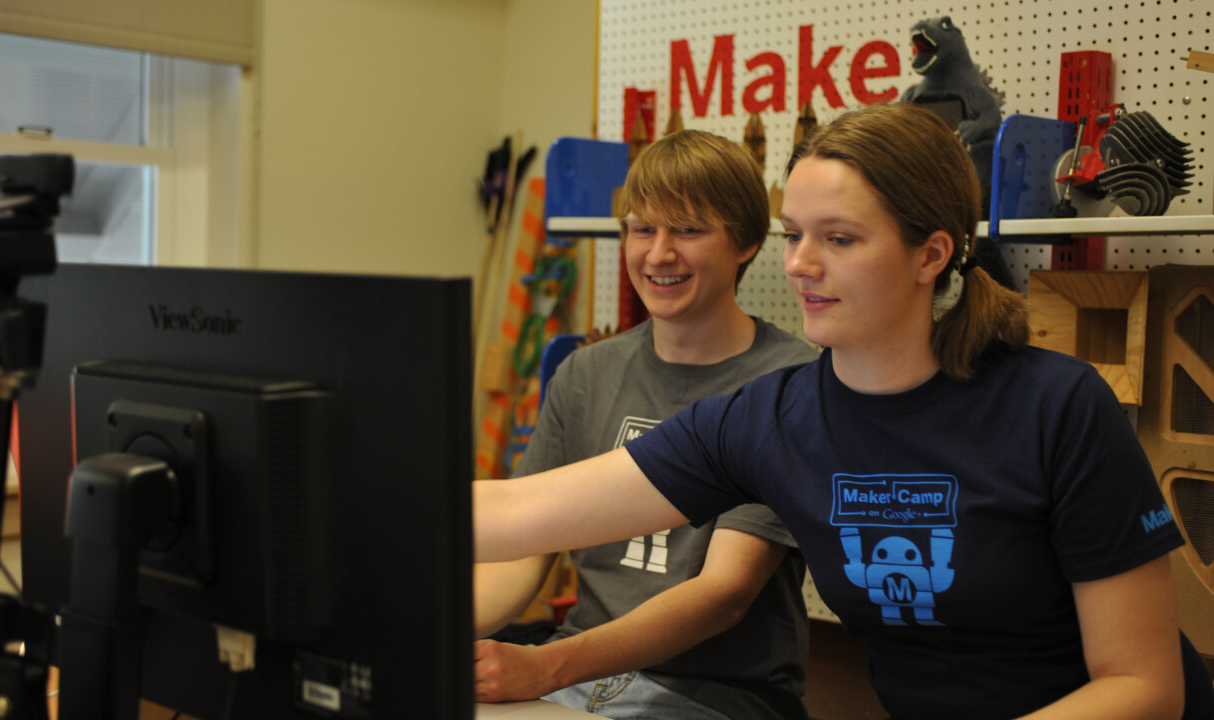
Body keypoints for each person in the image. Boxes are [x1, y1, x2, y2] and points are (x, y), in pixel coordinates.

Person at [473, 103, 1214, 720]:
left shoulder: (1057, 404)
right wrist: (370, 483)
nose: (800, 264)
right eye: (795, 235)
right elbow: (519, 513)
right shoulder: (769, 418)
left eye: (840, 239)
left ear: (931, 255)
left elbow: (1144, 688)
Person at [473, 129, 819, 719]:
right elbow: (522, 552)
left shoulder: (789, 383)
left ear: (747, 243)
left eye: (687, 229)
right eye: (642, 229)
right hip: (570, 679)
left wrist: (546, 666)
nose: (659, 254)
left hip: (712, 695)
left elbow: (723, 594)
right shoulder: (585, 372)